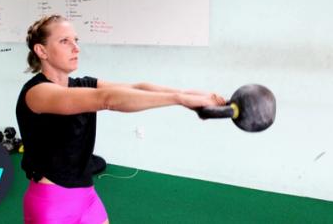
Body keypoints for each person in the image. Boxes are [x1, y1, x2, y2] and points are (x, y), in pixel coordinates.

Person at [16, 14, 226, 224]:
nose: (76, 48)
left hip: (87, 196)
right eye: (64, 41)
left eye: (76, 40)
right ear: (41, 50)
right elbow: (106, 99)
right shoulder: (37, 92)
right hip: (52, 203)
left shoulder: (83, 84)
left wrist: (193, 96)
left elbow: (137, 87)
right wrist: (179, 99)